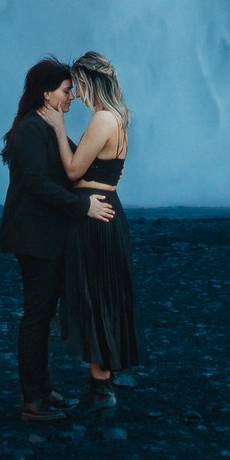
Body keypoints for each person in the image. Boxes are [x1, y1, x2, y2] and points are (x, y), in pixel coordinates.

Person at [0, 57, 114, 423]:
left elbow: (74, 167)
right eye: (66, 90)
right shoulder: (31, 129)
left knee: (43, 314)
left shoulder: (45, 125)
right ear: (46, 93)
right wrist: (83, 207)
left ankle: (43, 390)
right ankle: (33, 400)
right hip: (34, 236)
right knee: (37, 315)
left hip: (45, 234)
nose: (72, 96)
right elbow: (37, 183)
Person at [51, 50, 142, 413]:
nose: (76, 94)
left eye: (78, 85)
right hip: (107, 212)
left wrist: (57, 128)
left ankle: (101, 388)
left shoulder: (103, 119)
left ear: (91, 82)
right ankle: (104, 380)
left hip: (94, 217)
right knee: (105, 292)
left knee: (93, 294)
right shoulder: (118, 118)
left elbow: (74, 171)